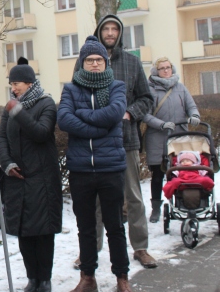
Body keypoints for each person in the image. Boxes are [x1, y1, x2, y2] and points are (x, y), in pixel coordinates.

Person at [58, 36, 132, 292]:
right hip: (81, 169)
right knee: (86, 227)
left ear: (105, 61)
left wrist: (84, 117)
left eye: (99, 59)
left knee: (114, 226)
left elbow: (115, 113)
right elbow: (64, 120)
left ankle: (122, 277)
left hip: (110, 167)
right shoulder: (70, 89)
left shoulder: (117, 87)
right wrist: (99, 127)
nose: (94, 64)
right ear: (82, 63)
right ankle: (87, 277)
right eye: (89, 60)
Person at [83, 15, 156, 269]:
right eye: (107, 29)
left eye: (115, 29)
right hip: (97, 142)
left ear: (120, 33)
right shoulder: (87, 62)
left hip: (127, 140)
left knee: (133, 196)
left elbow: (147, 99)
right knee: (97, 200)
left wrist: (129, 113)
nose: (111, 33)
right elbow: (76, 96)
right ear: (100, 32)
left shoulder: (133, 63)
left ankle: (141, 247)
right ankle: (91, 250)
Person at [0, 58, 62, 292]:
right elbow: (2, 138)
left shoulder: (46, 104)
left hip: (42, 180)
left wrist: (18, 112)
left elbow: (41, 133)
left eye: (17, 84)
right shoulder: (11, 107)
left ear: (29, 83)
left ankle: (44, 279)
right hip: (18, 179)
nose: (13, 88)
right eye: (11, 84)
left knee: (42, 232)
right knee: (24, 231)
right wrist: (6, 163)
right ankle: (32, 278)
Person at [141, 57, 200, 221]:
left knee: (180, 172)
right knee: (158, 175)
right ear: (156, 71)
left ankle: (182, 203)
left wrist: (194, 116)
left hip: (179, 137)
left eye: (168, 67)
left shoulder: (180, 88)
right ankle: (156, 209)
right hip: (157, 138)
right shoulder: (150, 90)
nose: (166, 70)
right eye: (162, 68)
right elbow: (144, 114)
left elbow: (191, 106)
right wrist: (161, 124)